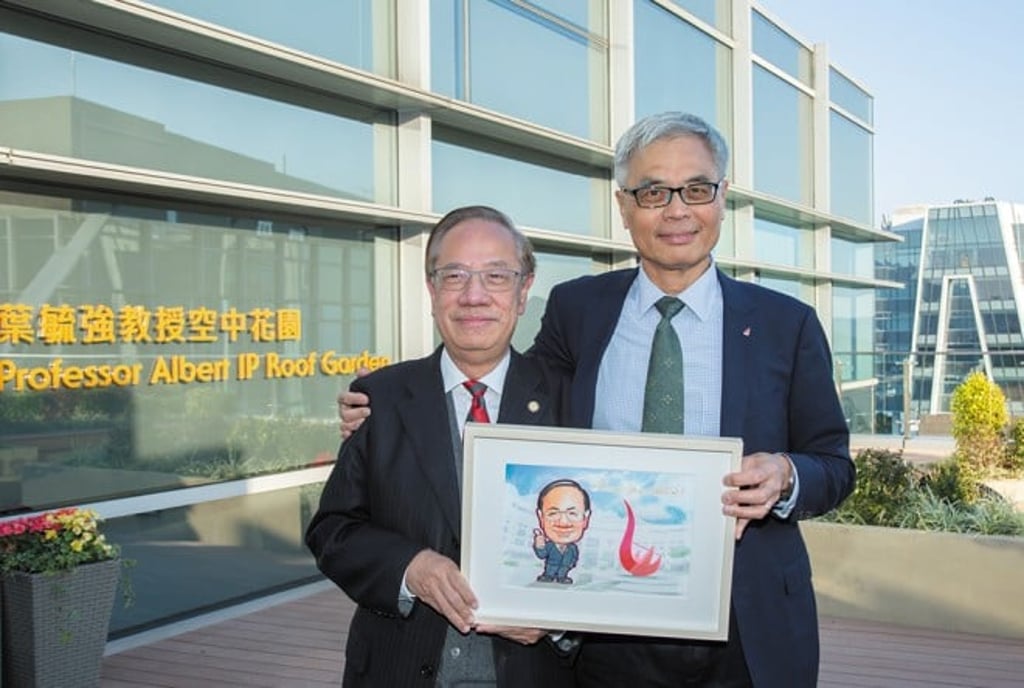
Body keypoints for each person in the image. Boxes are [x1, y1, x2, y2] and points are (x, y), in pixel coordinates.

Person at [339, 112, 855, 687]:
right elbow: (511, 393)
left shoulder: (788, 325)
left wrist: (785, 474)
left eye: (697, 189)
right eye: (654, 191)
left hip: (743, 620)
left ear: (722, 197)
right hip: (602, 628)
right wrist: (392, 404)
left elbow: (832, 463)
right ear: (624, 206)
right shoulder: (578, 310)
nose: (677, 210)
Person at [307, 206, 574, 687]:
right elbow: (332, 531)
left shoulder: (571, 400)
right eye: (454, 275)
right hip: (398, 669)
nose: (474, 296)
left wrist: (557, 620)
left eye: (496, 276)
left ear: (523, 290)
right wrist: (411, 567)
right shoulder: (380, 398)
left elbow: (599, 543)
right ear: (431, 291)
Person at [532, 479, 591, 584]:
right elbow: (542, 555)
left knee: (562, 574)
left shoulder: (572, 548)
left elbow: (574, 556)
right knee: (549, 573)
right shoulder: (549, 545)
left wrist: (572, 564)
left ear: (585, 520)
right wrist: (539, 545)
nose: (563, 522)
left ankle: (562, 577)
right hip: (551, 566)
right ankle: (548, 576)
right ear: (541, 518)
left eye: (572, 513)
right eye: (553, 513)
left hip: (565, 567)